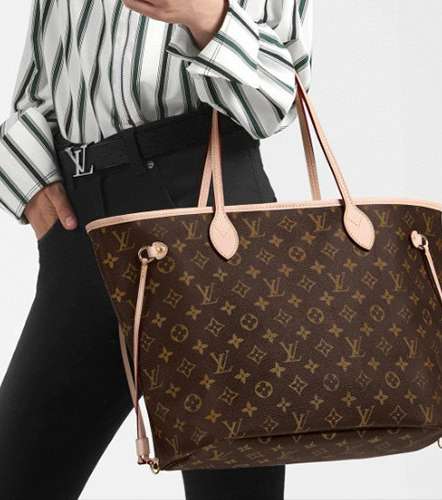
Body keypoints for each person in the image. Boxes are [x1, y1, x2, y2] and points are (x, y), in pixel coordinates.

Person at [0, 0, 313, 498]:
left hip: (210, 216)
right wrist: (30, 177)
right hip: (82, 224)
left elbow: (282, 96)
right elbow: (44, 67)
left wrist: (207, 16)